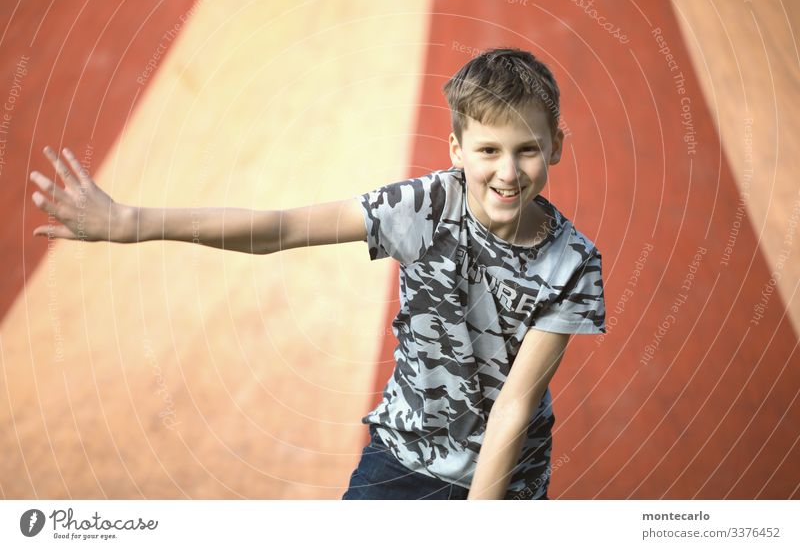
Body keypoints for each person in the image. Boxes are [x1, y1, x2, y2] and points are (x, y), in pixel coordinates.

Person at [29, 47, 606, 501]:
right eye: (488, 151)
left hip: (505, 484)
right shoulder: (421, 207)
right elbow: (280, 229)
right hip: (403, 460)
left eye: (527, 150)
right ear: (456, 149)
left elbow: (514, 405)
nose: (508, 171)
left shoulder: (574, 262)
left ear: (556, 147)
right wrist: (131, 222)